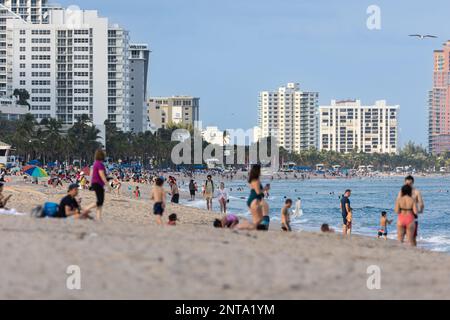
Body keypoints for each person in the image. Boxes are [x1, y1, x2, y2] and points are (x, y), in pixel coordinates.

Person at [397, 176, 424, 246]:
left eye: (410, 183)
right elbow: (421, 204)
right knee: (407, 238)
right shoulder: (404, 191)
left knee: (412, 238)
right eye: (407, 183)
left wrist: (419, 211)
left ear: (413, 183)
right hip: (408, 217)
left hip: (410, 217)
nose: (408, 185)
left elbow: (421, 204)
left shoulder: (415, 192)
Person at [85, 149, 109, 221]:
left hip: (95, 183)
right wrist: (107, 185)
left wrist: (90, 183)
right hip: (98, 183)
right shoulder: (100, 164)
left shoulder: (95, 163)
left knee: (100, 201)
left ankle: (99, 217)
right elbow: (101, 175)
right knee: (100, 201)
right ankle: (86, 208)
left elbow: (91, 174)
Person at [246, 164, 269, 229]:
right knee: (258, 220)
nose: (260, 171)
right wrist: (265, 189)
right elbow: (258, 192)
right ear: (257, 171)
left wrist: (264, 189)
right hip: (255, 200)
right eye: (260, 170)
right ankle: (242, 227)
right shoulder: (256, 180)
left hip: (253, 199)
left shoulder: (253, 179)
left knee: (258, 220)